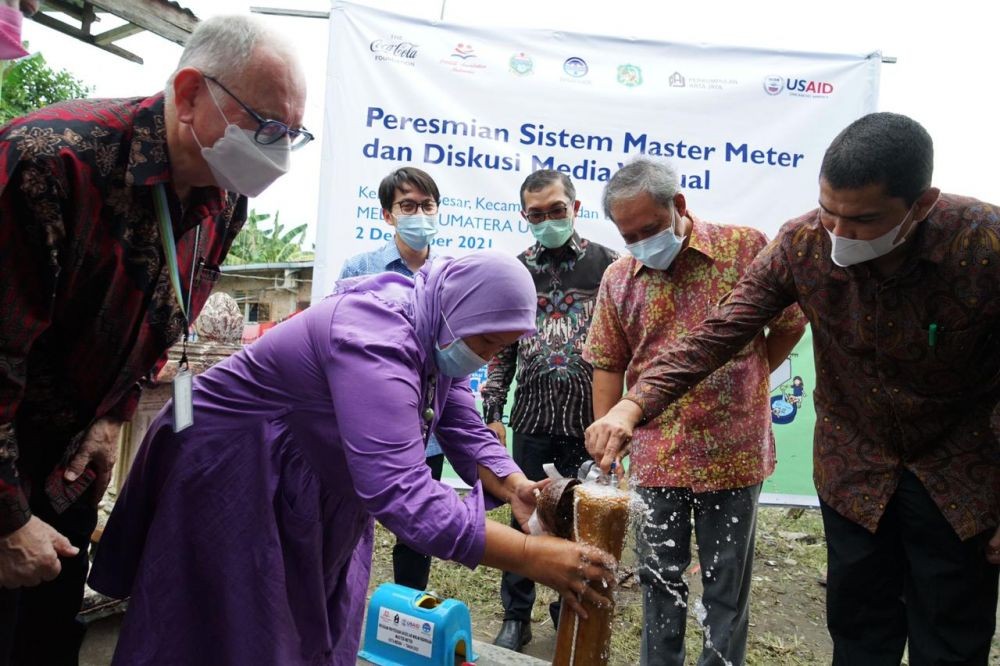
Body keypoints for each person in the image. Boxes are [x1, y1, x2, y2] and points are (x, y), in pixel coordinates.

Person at [586, 113, 1000, 665]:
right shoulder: (801, 244)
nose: (840, 234)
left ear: (920, 204)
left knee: (950, 635)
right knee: (858, 631)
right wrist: (633, 405)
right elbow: (717, 333)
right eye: (829, 211)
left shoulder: (981, 245)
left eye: (864, 220)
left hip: (958, 478)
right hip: (856, 470)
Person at [88, 251, 617, 666]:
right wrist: (530, 555)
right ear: (461, 309)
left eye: (500, 347)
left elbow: (453, 410)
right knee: (232, 618)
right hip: (233, 467)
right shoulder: (374, 336)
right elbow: (402, 495)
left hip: (307, 477)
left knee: (303, 617)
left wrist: (511, 481)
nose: (486, 355)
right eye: (484, 340)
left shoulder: (433, 323)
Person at [0, 15, 309, 665]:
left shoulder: (225, 201)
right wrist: (5, 518)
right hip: (5, 471)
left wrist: (112, 417)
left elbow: (163, 321)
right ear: (191, 93)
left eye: (292, 135)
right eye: (265, 127)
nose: (277, 155)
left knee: (47, 642)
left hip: (67, 473)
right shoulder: (50, 162)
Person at [584, 158, 806, 665]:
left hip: (734, 449)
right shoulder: (619, 278)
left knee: (726, 584)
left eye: (650, 228)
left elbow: (791, 321)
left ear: (679, 206)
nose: (641, 241)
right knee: (660, 579)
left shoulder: (745, 248)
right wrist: (608, 440)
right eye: (629, 234)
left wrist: (750, 378)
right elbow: (608, 363)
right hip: (658, 450)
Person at [481, 169, 618, 651]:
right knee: (527, 514)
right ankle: (516, 615)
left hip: (590, 423)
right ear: (524, 216)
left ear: (576, 208)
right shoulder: (515, 270)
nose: (547, 220)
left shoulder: (610, 266)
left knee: (582, 520)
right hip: (533, 418)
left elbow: (623, 345)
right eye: (536, 215)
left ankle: (567, 610)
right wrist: (493, 412)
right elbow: (501, 349)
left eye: (556, 210)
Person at [338, 166, 445, 591]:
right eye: (407, 206)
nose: (418, 213)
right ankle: (339, 605)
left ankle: (405, 620)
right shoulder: (360, 267)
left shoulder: (449, 274)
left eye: (426, 205)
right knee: (347, 521)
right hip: (363, 423)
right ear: (388, 215)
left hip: (426, 423)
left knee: (417, 534)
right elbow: (340, 338)